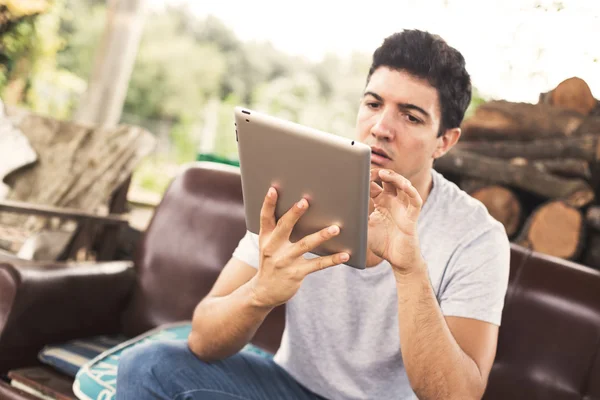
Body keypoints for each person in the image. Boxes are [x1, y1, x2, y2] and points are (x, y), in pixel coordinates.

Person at [116, 29, 510, 400]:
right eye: (373, 104)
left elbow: (458, 394)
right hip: (290, 387)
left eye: (411, 116)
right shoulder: (300, 183)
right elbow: (202, 339)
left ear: (445, 141)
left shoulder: (476, 235)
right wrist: (260, 294)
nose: (381, 127)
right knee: (148, 367)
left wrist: (410, 270)